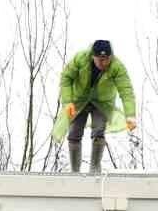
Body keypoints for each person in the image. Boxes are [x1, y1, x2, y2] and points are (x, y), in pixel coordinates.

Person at [52, 39, 138, 174]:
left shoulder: (117, 67)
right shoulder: (80, 59)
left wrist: (130, 115)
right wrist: (67, 102)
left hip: (102, 103)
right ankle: (75, 170)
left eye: (106, 59)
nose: (103, 63)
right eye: (100, 60)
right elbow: (66, 78)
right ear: (93, 56)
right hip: (79, 100)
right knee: (74, 132)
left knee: (99, 130)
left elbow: (126, 91)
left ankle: (95, 167)